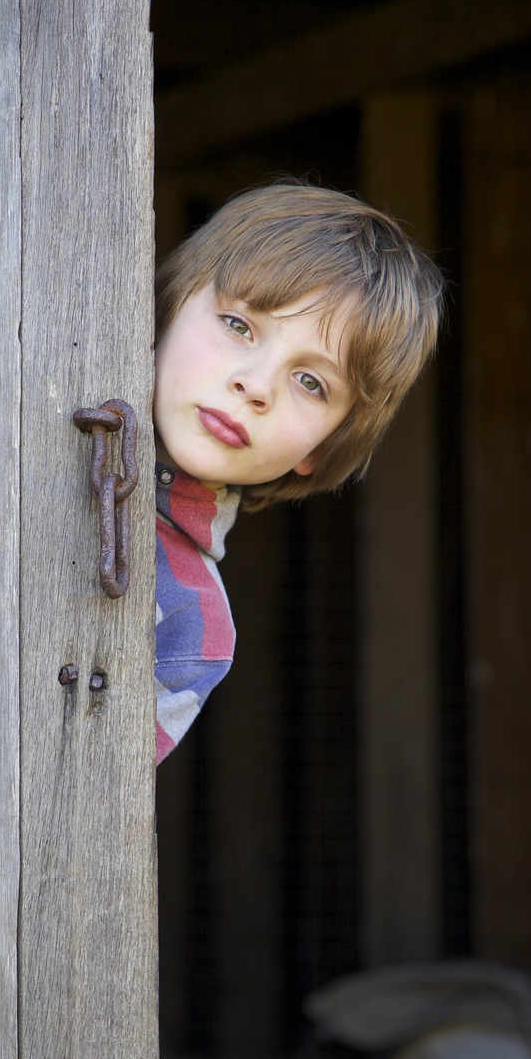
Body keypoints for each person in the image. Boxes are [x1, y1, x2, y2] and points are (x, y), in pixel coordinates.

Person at [153, 179, 444, 764]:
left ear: (323, 446)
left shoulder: (191, 630)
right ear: (167, 310)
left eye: (310, 382)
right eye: (239, 325)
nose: (256, 386)